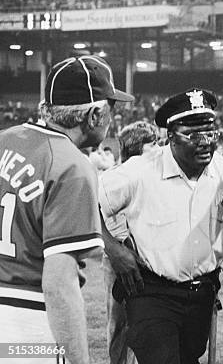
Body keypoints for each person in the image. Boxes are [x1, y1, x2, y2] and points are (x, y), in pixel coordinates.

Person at [0, 55, 133, 364]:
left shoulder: (5, 139)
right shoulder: (71, 165)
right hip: (27, 322)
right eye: (111, 108)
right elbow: (59, 285)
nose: (113, 116)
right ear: (95, 115)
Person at [98, 88, 223, 364]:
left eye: (210, 133)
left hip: (202, 293)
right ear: (170, 137)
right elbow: (84, 200)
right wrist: (113, 248)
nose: (205, 142)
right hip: (151, 291)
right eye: (194, 135)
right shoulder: (140, 171)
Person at [103, 120, 159, 364]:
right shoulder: (113, 177)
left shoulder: (157, 176)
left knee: (149, 322)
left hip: (150, 255)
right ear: (137, 148)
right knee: (119, 321)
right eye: (152, 144)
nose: (159, 149)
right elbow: (97, 215)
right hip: (118, 256)